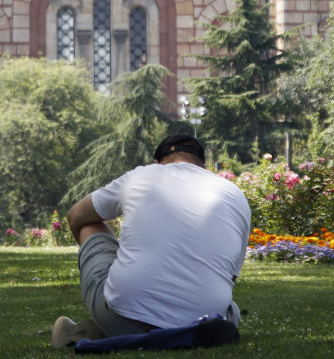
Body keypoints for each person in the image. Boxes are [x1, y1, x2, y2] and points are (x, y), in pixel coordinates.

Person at [53, 134, 250, 349]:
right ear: (203, 166)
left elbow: (75, 216)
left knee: (88, 224)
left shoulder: (142, 175)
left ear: (157, 163)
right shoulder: (235, 194)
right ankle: (167, 331)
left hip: (123, 317)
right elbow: (230, 276)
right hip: (203, 323)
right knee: (231, 309)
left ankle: (106, 327)